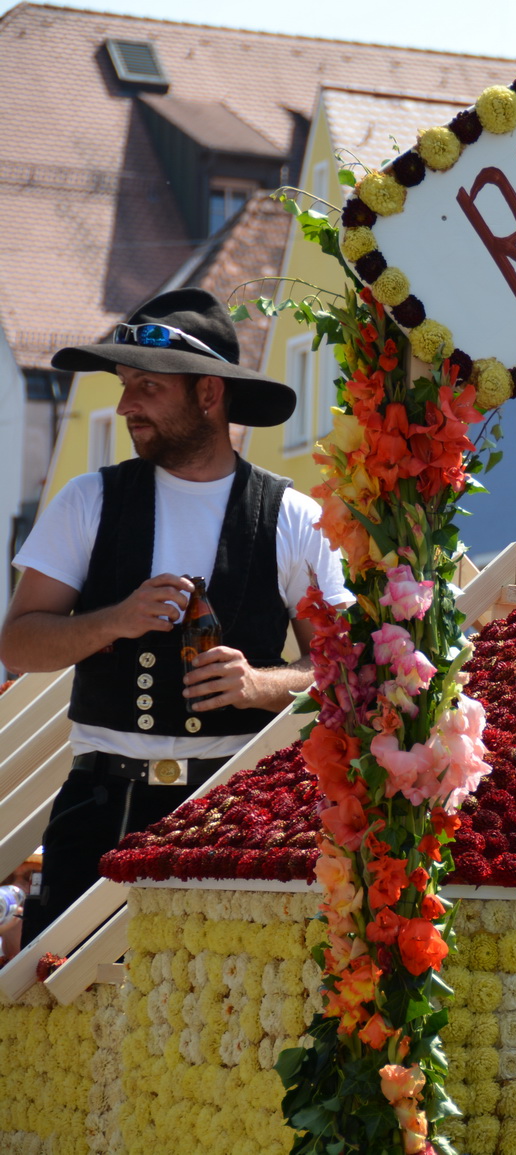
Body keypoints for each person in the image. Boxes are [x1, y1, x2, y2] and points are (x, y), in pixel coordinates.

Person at [0, 287, 350, 941]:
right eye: (124, 385)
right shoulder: (87, 502)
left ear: (209, 394)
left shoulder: (294, 517)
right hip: (101, 811)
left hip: (238, 814)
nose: (126, 405)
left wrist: (262, 684)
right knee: (71, 1020)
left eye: (146, 387)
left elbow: (345, 670)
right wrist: (111, 621)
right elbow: (18, 644)